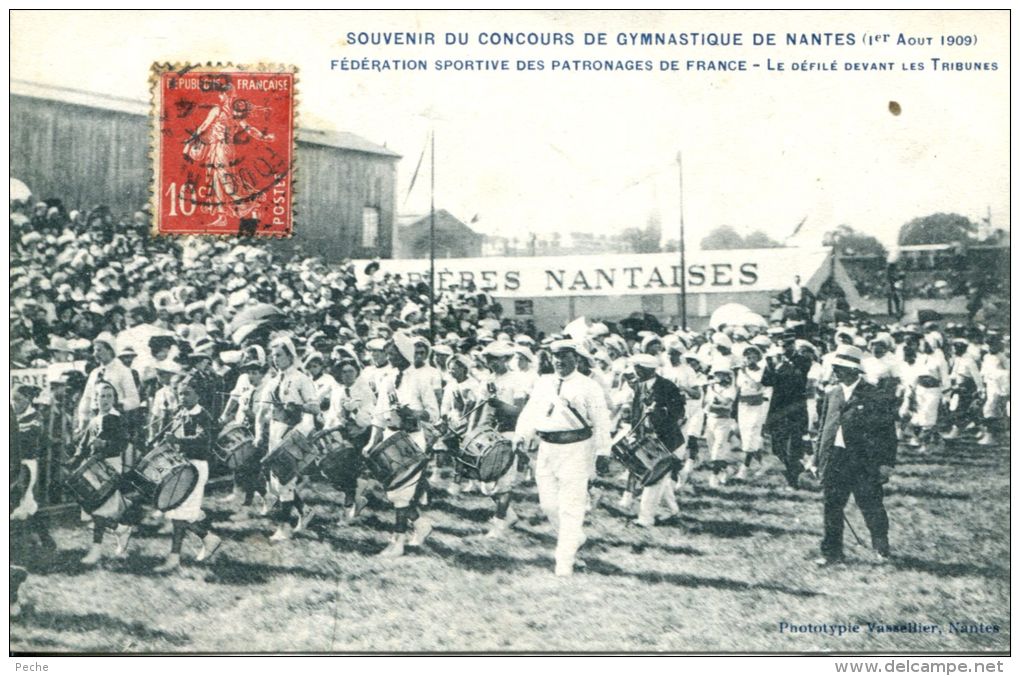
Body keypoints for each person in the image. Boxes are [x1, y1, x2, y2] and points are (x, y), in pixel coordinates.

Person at [514, 340, 610, 576]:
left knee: (571, 507)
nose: (559, 361)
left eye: (565, 356)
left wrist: (603, 452)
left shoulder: (589, 386)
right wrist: (520, 435)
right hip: (547, 449)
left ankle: (564, 563)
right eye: (556, 357)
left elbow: (602, 420)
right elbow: (531, 412)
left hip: (577, 449)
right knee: (549, 505)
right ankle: (574, 538)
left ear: (576, 359)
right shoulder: (544, 383)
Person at [812, 345, 897, 566]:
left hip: (864, 461)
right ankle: (832, 553)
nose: (838, 371)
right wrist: (816, 459)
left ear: (855, 371)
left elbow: (887, 432)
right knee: (832, 506)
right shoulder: (832, 393)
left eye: (843, 368)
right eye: (836, 367)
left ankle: (881, 547)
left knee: (870, 505)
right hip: (834, 460)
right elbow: (823, 428)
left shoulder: (874, 395)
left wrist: (886, 464)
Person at [367, 333, 440, 557]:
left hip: (411, 438)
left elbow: (434, 413)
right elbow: (379, 414)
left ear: (404, 354)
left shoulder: (419, 379)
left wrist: (413, 412)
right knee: (394, 492)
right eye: (388, 353)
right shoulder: (387, 379)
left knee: (403, 491)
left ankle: (397, 541)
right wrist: (372, 441)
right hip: (391, 437)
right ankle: (420, 525)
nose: (389, 357)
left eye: (393, 353)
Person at [155, 376, 222, 572]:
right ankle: (209, 539)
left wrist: (178, 440)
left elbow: (203, 439)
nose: (183, 397)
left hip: (197, 466)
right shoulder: (180, 413)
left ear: (198, 395)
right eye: (180, 393)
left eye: (188, 393)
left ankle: (174, 559)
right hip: (183, 466)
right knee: (179, 513)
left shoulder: (202, 415)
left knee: (179, 515)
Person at [473, 341, 529, 537]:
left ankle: (499, 525)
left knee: (504, 481)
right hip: (490, 435)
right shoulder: (487, 381)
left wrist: (498, 404)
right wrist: (473, 432)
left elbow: (521, 411)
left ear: (506, 359)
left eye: (496, 359)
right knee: (486, 481)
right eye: (489, 359)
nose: (492, 363)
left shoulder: (516, 380)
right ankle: (509, 515)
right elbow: (480, 408)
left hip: (510, 433)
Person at [625, 354, 685, 527]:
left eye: (638, 368)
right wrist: (634, 432)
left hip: (668, 439)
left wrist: (660, 411)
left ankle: (646, 519)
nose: (635, 371)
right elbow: (636, 411)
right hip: (647, 438)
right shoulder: (640, 386)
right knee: (660, 479)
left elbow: (679, 412)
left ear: (648, 370)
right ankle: (672, 511)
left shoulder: (667, 386)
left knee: (653, 479)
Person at [762, 331, 812, 489]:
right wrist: (772, 367)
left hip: (796, 407)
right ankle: (795, 468)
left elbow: (799, 379)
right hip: (778, 406)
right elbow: (766, 381)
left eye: (787, 344)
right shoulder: (773, 360)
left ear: (793, 345)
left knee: (793, 445)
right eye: (781, 344)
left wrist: (784, 367)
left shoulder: (803, 360)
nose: (784, 347)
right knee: (777, 447)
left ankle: (793, 481)